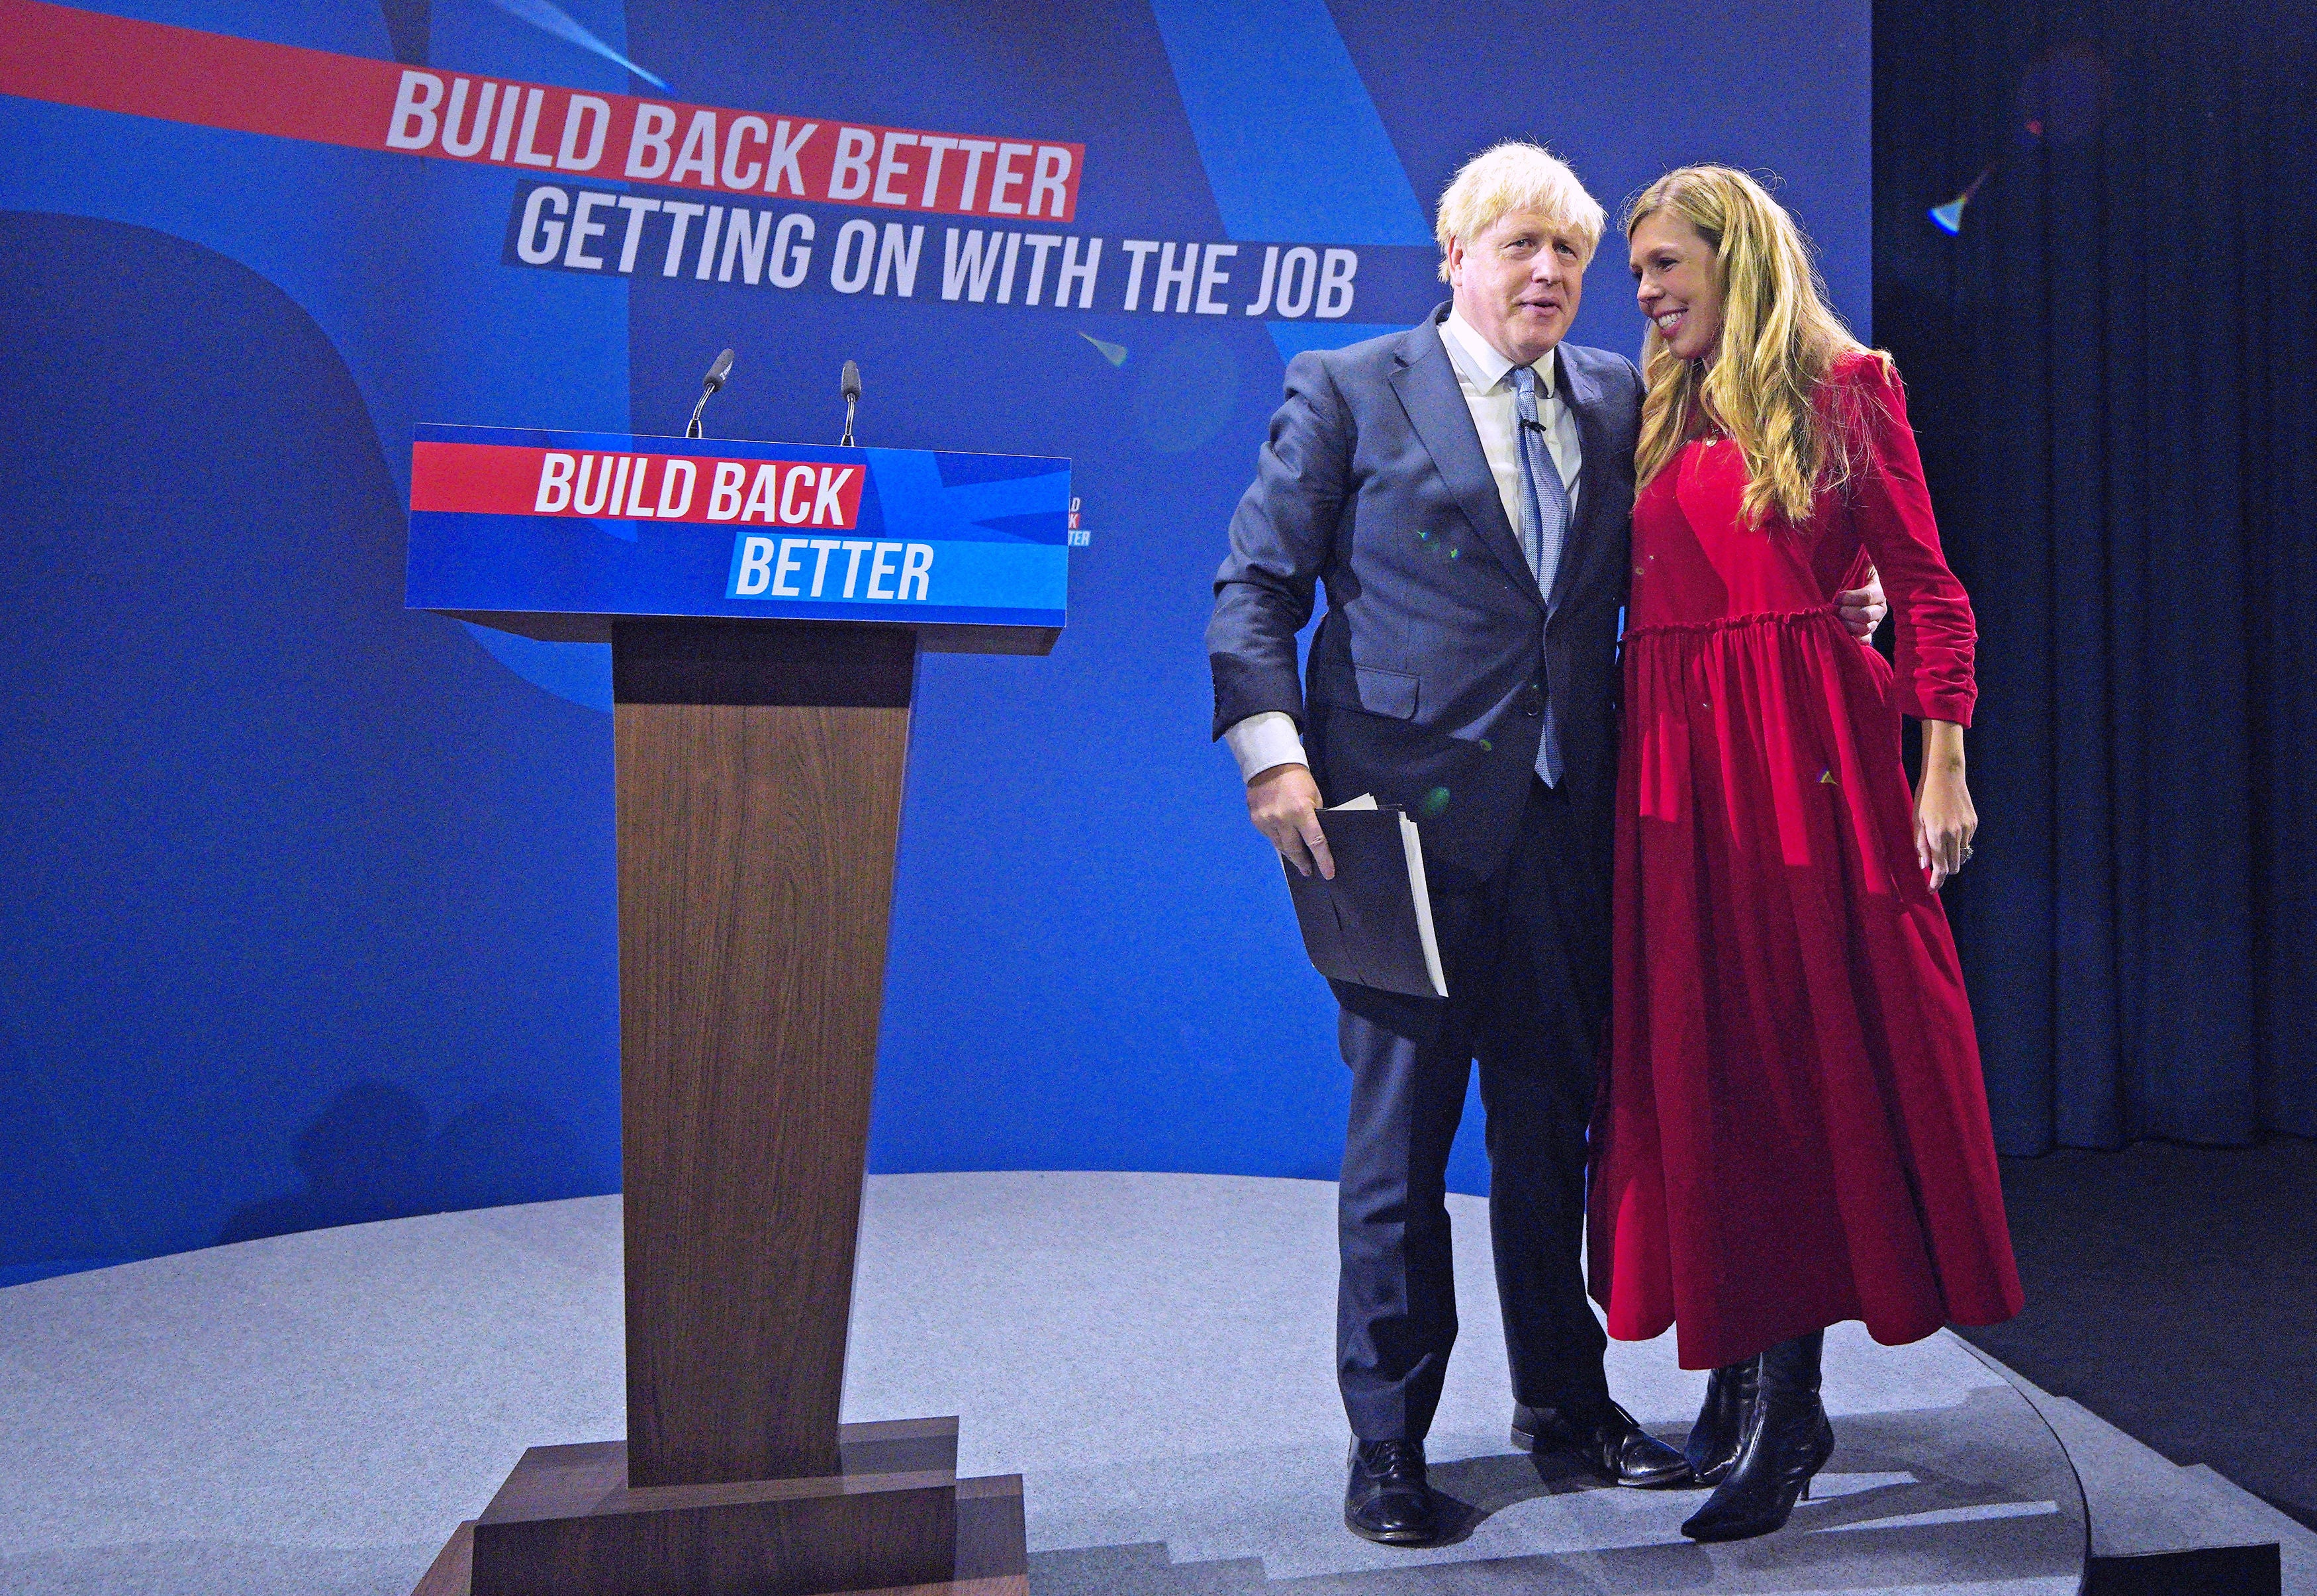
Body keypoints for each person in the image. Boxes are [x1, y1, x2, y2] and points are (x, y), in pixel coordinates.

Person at [1206, 143, 1885, 1548]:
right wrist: (1272, 758)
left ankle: (1564, 1413)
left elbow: (1741, 513)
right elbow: (1254, 590)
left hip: (1573, 833)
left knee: (1548, 1138)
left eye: (1570, 257)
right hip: (1394, 834)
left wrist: (1844, 587)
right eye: (1520, 247)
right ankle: (1386, 1447)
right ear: (1452, 256)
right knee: (1398, 1153)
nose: (1551, 277)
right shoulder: (1346, 388)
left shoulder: (1619, 397)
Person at [1589, 165, 2025, 1544]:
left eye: (1665, 266)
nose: (1645, 294)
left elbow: (1931, 587)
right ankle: (1733, 1367)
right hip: (1673, 773)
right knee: (1701, 1066)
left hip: (1807, 771)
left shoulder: (1848, 390)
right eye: (1639, 274)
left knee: (1795, 1065)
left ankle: (1791, 1402)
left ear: (1737, 256)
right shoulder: (1651, 403)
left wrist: (1940, 766)